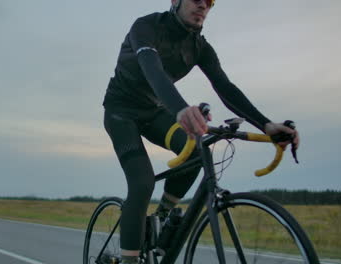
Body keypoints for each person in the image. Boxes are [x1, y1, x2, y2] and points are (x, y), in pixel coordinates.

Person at [102, 0, 300, 263]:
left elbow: (226, 88)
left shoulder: (199, 48)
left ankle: (160, 218)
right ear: (175, 0)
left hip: (154, 113)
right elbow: (152, 69)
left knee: (197, 152)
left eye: (210, 2)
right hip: (121, 112)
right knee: (142, 183)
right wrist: (181, 109)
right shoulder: (146, 26)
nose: (203, 6)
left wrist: (266, 125)